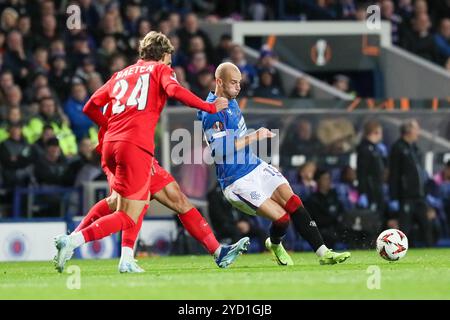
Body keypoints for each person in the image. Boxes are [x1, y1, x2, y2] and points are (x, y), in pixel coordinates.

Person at [53, 31, 233, 273]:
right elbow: (175, 91)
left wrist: (111, 127)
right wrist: (208, 107)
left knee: (171, 198)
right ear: (162, 56)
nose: (170, 65)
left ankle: (215, 251)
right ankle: (73, 241)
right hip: (134, 147)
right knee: (128, 213)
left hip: (112, 145)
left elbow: (90, 106)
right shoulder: (160, 70)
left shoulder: (120, 74)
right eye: (169, 61)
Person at [198, 62, 351, 266]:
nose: (238, 87)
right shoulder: (212, 111)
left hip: (255, 166)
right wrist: (255, 136)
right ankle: (275, 243)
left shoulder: (231, 101)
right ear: (219, 82)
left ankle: (324, 253)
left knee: (294, 202)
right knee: (282, 219)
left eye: (240, 82)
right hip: (236, 181)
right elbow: (218, 151)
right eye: (233, 83)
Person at [389, 119, 434, 246]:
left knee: (427, 226)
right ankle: (399, 253)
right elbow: (394, 174)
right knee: (404, 229)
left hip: (419, 197)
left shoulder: (415, 149)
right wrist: (393, 197)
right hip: (406, 197)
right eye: (416, 129)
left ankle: (430, 256)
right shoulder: (398, 147)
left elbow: (419, 174)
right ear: (408, 131)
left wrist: (425, 194)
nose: (418, 132)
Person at [356, 120, 386, 213]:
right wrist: (363, 192)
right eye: (380, 132)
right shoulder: (365, 149)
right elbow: (362, 172)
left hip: (377, 187)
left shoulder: (376, 149)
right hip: (370, 189)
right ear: (374, 132)